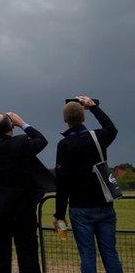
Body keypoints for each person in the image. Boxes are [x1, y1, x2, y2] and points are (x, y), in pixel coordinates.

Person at [0, 112, 49, 273]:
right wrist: (23, 123)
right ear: (11, 127)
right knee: (27, 253)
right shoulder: (21, 143)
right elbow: (42, 141)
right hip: (22, 208)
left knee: (0, 253)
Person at [54, 95, 122, 273]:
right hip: (104, 202)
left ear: (65, 120)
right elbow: (111, 129)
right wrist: (93, 107)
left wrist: (59, 214)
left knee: (87, 254)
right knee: (110, 253)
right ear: (83, 117)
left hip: (80, 206)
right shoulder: (97, 137)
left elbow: (62, 182)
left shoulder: (65, 144)